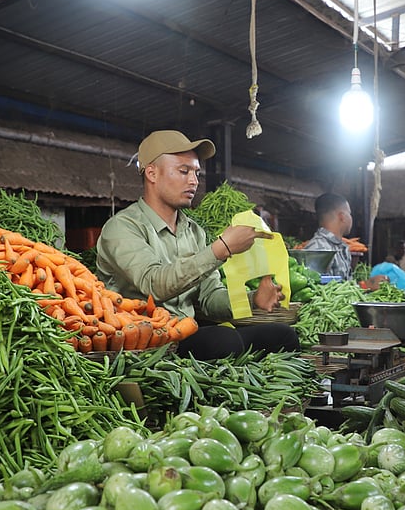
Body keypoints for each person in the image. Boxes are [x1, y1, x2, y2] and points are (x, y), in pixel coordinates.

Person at [95, 130, 300, 360]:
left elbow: (210, 299)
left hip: (187, 334)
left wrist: (253, 299)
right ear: (152, 173)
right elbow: (154, 284)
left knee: (284, 336)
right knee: (224, 340)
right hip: (145, 343)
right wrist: (222, 249)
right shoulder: (122, 228)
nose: (193, 181)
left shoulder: (194, 232)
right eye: (183, 171)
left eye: (196, 173)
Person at [302, 192, 353, 280]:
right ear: (342, 216)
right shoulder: (317, 249)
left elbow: (347, 285)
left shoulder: (342, 248)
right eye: (349, 213)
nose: (351, 218)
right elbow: (313, 289)